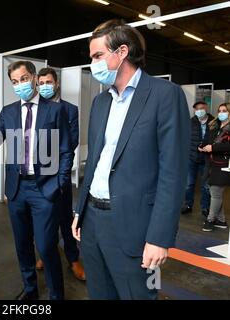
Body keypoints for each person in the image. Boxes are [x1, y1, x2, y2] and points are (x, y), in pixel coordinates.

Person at [71, 20, 190, 300]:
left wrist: (160, 237)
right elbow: (97, 162)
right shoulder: (101, 103)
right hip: (92, 223)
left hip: (135, 228)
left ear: (122, 51)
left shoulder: (165, 96)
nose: (93, 64)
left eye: (98, 56)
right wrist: (80, 210)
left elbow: (173, 173)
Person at [0, 61, 73, 300]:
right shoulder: (8, 112)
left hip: (45, 190)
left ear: (33, 77)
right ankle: (30, 290)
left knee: (47, 246)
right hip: (17, 189)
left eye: (23, 79)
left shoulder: (55, 110)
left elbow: (65, 150)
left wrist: (60, 183)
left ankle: (56, 295)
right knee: (22, 244)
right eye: (14, 82)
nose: (19, 85)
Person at [36, 67, 85, 281]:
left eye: (48, 82)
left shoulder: (70, 110)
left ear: (57, 84)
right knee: (44, 221)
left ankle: (73, 259)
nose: (45, 86)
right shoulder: (34, 108)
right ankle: (45, 255)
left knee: (65, 219)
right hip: (38, 175)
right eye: (41, 83)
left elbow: (71, 141)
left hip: (60, 173)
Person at [200, 103, 230, 232]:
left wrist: (213, 148)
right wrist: (203, 145)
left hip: (225, 164)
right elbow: (209, 140)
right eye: (219, 110)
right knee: (215, 192)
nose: (221, 113)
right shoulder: (215, 125)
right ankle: (221, 220)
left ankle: (210, 219)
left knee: (215, 192)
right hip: (213, 163)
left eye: (224, 110)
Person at [181, 101, 213, 217]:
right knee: (189, 184)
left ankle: (205, 208)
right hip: (192, 158)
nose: (199, 111)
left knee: (205, 186)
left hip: (206, 159)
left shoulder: (214, 122)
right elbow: (185, 138)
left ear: (206, 108)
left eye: (201, 108)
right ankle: (188, 205)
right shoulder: (191, 122)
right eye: (197, 109)